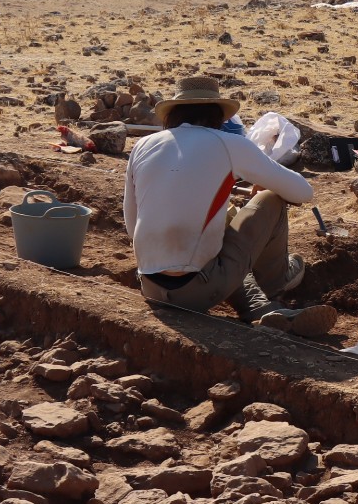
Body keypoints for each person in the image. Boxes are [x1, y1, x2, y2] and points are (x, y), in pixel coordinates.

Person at [123, 75, 333, 334]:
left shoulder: (142, 146)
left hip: (151, 287)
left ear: (173, 113)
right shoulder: (229, 144)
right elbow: (303, 192)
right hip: (201, 288)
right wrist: (267, 185)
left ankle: (260, 309)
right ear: (219, 115)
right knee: (270, 199)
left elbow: (132, 228)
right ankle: (276, 283)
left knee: (215, 232)